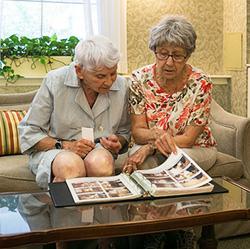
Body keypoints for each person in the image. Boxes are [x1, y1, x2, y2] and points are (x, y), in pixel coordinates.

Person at [18, 35, 130, 189]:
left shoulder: (122, 86)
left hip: (98, 150)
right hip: (56, 150)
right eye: (100, 76)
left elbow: (125, 132)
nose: (109, 82)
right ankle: (63, 211)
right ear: (79, 71)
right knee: (71, 167)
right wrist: (66, 145)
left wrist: (117, 142)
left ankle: (100, 212)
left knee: (101, 165)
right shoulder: (55, 81)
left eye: (113, 73)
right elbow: (29, 132)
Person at [123, 15, 217, 175]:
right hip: (146, 142)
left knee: (177, 162)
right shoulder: (138, 79)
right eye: (163, 54)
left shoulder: (201, 82)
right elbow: (138, 132)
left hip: (194, 148)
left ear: (187, 56)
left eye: (177, 55)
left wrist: (151, 147)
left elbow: (188, 139)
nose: (169, 62)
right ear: (154, 51)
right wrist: (155, 142)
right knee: (144, 165)